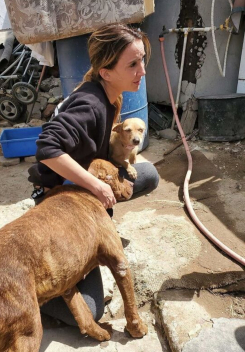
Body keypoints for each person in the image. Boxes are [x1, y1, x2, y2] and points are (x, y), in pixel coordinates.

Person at [28, 23, 159, 326]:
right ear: (106, 72)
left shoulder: (111, 94)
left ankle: (100, 217)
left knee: (148, 174)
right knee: (91, 309)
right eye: (132, 64)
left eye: (142, 61)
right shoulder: (90, 103)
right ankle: (23, 297)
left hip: (85, 192)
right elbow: (46, 147)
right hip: (61, 201)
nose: (142, 71)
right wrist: (97, 186)